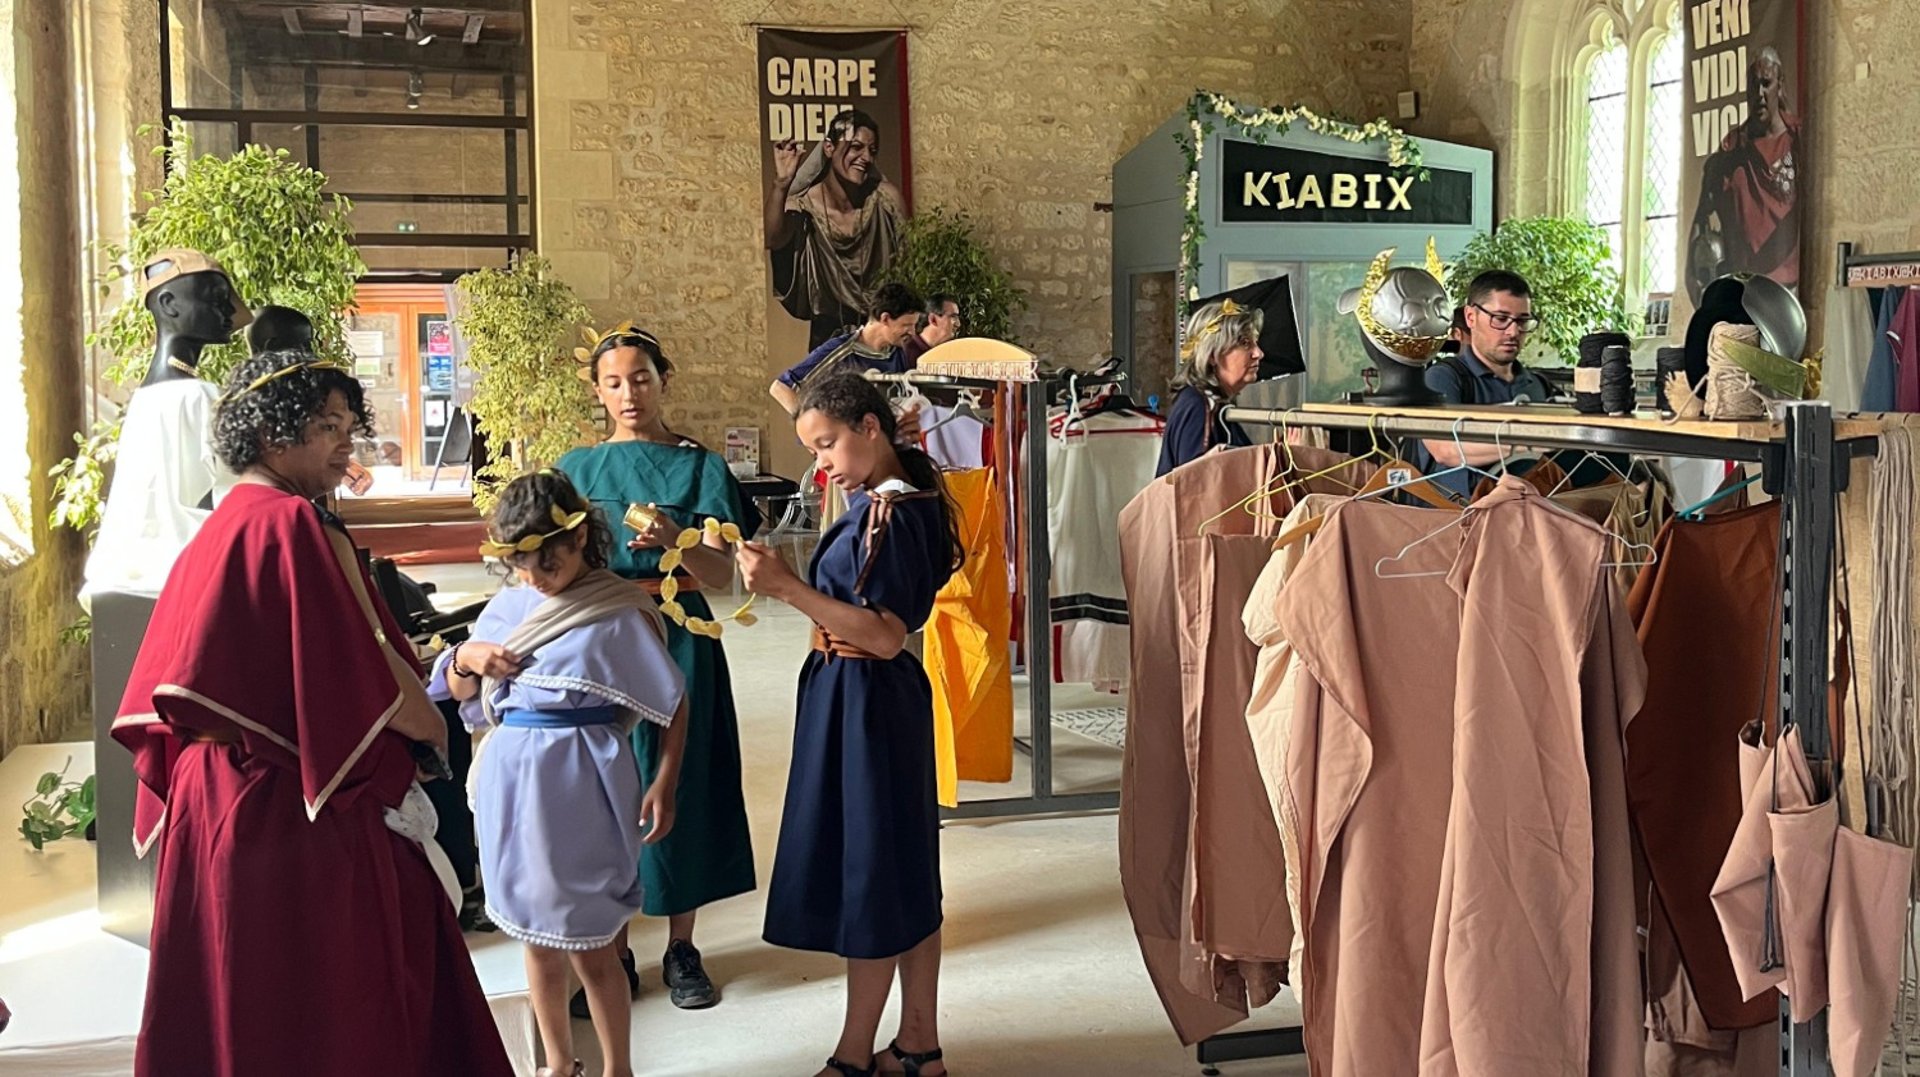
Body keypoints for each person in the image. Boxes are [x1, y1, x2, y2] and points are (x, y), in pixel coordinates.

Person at [111, 348, 513, 1076]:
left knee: (242, 997)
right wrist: (431, 730)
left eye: (349, 426)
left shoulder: (221, 524)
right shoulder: (294, 521)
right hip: (291, 804)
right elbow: (364, 663)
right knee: (336, 1001)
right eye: (328, 425)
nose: (345, 443)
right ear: (272, 433)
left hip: (213, 802)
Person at [738, 373, 962, 1077]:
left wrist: (787, 588)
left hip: (866, 695)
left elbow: (885, 635)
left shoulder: (891, 512)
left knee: (872, 874)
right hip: (866, 694)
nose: (821, 462)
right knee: (904, 870)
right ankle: (919, 1044)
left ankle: (853, 1053)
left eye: (828, 443)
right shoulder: (896, 497)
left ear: (870, 427)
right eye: (813, 449)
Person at [432, 471, 688, 1077]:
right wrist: (467, 655)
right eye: (520, 564)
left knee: (592, 941)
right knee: (535, 937)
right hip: (512, 779)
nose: (535, 577)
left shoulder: (616, 608)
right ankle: (557, 1063)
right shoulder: (509, 605)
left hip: (582, 781)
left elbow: (674, 701)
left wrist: (665, 782)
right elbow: (458, 688)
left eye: (548, 561)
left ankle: (618, 1068)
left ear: (579, 540)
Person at [555, 326, 759, 1014]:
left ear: (662, 380)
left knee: (684, 779)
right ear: (597, 390)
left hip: (679, 632)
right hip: (600, 635)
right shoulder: (575, 470)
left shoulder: (701, 469)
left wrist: (677, 541)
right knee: (604, 783)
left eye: (640, 378)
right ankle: (614, 946)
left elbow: (721, 574)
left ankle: (681, 945)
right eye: (613, 382)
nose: (629, 393)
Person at [766, 109, 908, 348]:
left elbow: (912, 267)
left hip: (883, 340)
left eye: (872, 151)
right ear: (829, 148)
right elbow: (772, 238)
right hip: (828, 345)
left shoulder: (886, 201)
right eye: (856, 147)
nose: (866, 157)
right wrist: (781, 184)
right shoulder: (806, 207)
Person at [1415, 270, 1554, 496]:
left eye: (1522, 321)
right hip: (1461, 514)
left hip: (1531, 511)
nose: (1513, 331)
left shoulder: (1537, 385)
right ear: (1471, 317)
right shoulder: (1443, 378)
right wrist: (1533, 442)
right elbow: (1445, 450)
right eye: (1500, 319)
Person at [1688, 46, 1800, 301]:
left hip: (1788, 291)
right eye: (1753, 85)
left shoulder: (1797, 140)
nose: (1759, 93)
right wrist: (1692, 279)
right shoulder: (1731, 150)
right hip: (1741, 291)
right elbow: (1701, 215)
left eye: (1766, 84)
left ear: (1779, 85)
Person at [770, 281, 924, 417]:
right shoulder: (842, 350)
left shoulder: (898, 352)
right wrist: (814, 428)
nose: (912, 332)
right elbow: (781, 387)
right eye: (906, 325)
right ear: (885, 319)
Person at [1155, 298, 1265, 478]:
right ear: (1213, 355)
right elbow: (1194, 485)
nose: (1258, 353)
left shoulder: (1211, 405)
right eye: (1245, 343)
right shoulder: (1198, 407)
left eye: (1256, 342)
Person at [903, 293, 964, 364]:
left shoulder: (948, 353)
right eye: (953, 317)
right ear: (933, 319)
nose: (958, 324)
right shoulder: (905, 354)